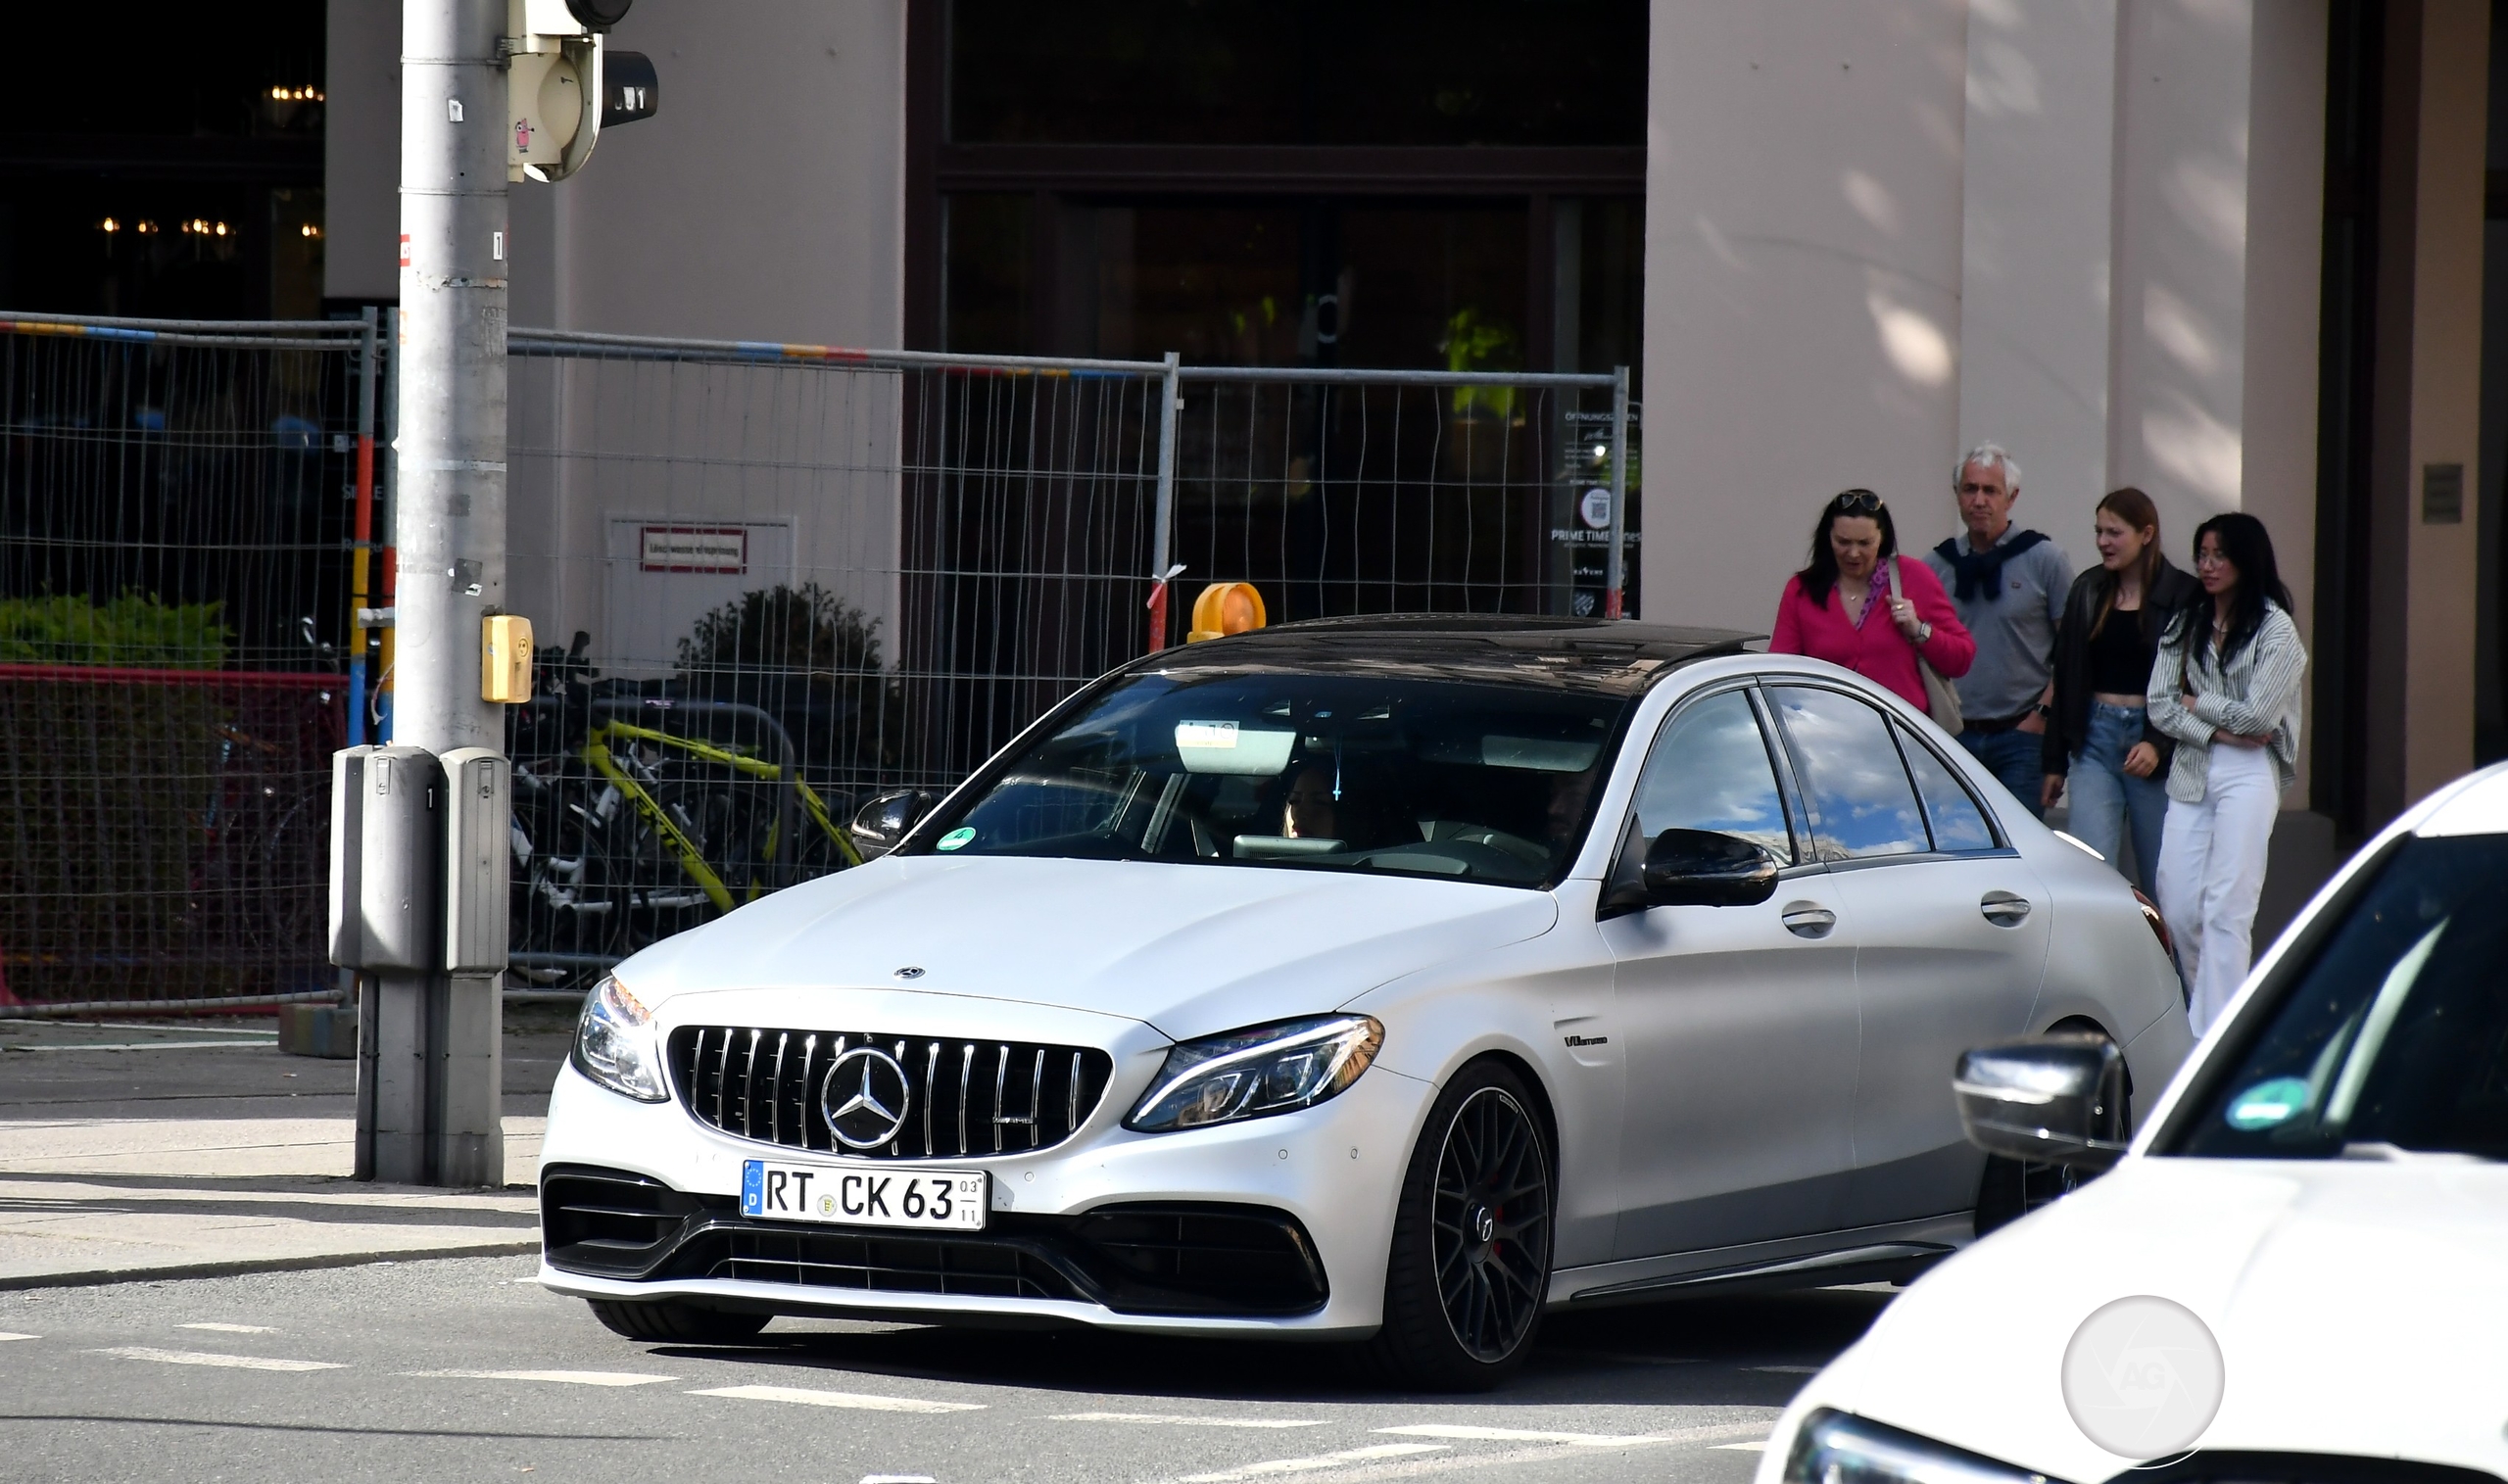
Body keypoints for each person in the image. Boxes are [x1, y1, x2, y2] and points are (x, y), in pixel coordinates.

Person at [2146, 512, 2306, 1035]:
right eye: (2202, 554)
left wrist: (2199, 702)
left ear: (2246, 559)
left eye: (2219, 555)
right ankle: (2211, 1014)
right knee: (2177, 899)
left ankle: (2216, 1037)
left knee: (2228, 906)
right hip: (2196, 762)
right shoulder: (2186, 620)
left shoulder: (2275, 627)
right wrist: (2215, 729)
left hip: (2249, 773)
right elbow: (2159, 704)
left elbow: (2261, 719)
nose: (2207, 566)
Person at [2039, 488, 2200, 896]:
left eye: (2115, 532)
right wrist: (2055, 761)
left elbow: (2192, 684)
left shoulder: (2182, 594)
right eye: (2099, 532)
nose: (2103, 542)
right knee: (2090, 875)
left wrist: (2157, 743)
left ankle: (2170, 963)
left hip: (2154, 745)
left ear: (2146, 534)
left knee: (2163, 878)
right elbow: (2068, 675)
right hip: (2094, 739)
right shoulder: (2089, 588)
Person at [1924, 444, 2074, 817]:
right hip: (1954, 737)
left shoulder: (2044, 560)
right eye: (1970, 489)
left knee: (2019, 856)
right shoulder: (1937, 566)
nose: (1979, 500)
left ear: (2011, 497)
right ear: (1957, 496)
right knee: (1957, 852)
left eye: (1990, 491)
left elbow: (2073, 648)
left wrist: (2042, 714)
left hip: (2021, 737)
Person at [1769, 489, 1974, 714]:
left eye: (1865, 543)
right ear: (1828, 538)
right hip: (1826, 736)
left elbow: (1962, 658)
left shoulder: (1914, 577)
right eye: (1843, 542)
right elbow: (1779, 672)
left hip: (1902, 737)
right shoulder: (1802, 589)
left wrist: (1919, 630)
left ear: (1882, 538)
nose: (1854, 553)